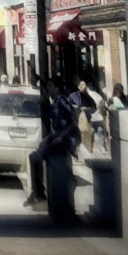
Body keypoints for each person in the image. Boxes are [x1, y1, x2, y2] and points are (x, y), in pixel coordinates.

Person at [24, 78, 79, 206]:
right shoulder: (55, 102)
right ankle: (38, 192)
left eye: (51, 86)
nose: (49, 89)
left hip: (64, 140)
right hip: (56, 136)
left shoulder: (62, 101)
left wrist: (61, 137)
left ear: (57, 88)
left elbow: (73, 121)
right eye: (48, 86)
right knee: (37, 152)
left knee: (35, 157)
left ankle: (38, 193)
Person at [69, 79, 95, 154]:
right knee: (77, 135)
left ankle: (87, 152)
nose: (84, 87)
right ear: (79, 87)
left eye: (85, 85)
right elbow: (68, 104)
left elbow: (94, 108)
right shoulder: (73, 96)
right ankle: (76, 151)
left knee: (88, 134)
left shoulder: (89, 97)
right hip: (76, 119)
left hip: (87, 120)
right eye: (82, 85)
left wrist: (87, 109)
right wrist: (75, 107)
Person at [86, 82, 108, 153]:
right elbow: (103, 105)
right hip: (99, 117)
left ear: (87, 88)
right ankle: (102, 148)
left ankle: (90, 148)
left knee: (91, 133)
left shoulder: (87, 96)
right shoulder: (98, 95)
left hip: (91, 117)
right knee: (100, 133)